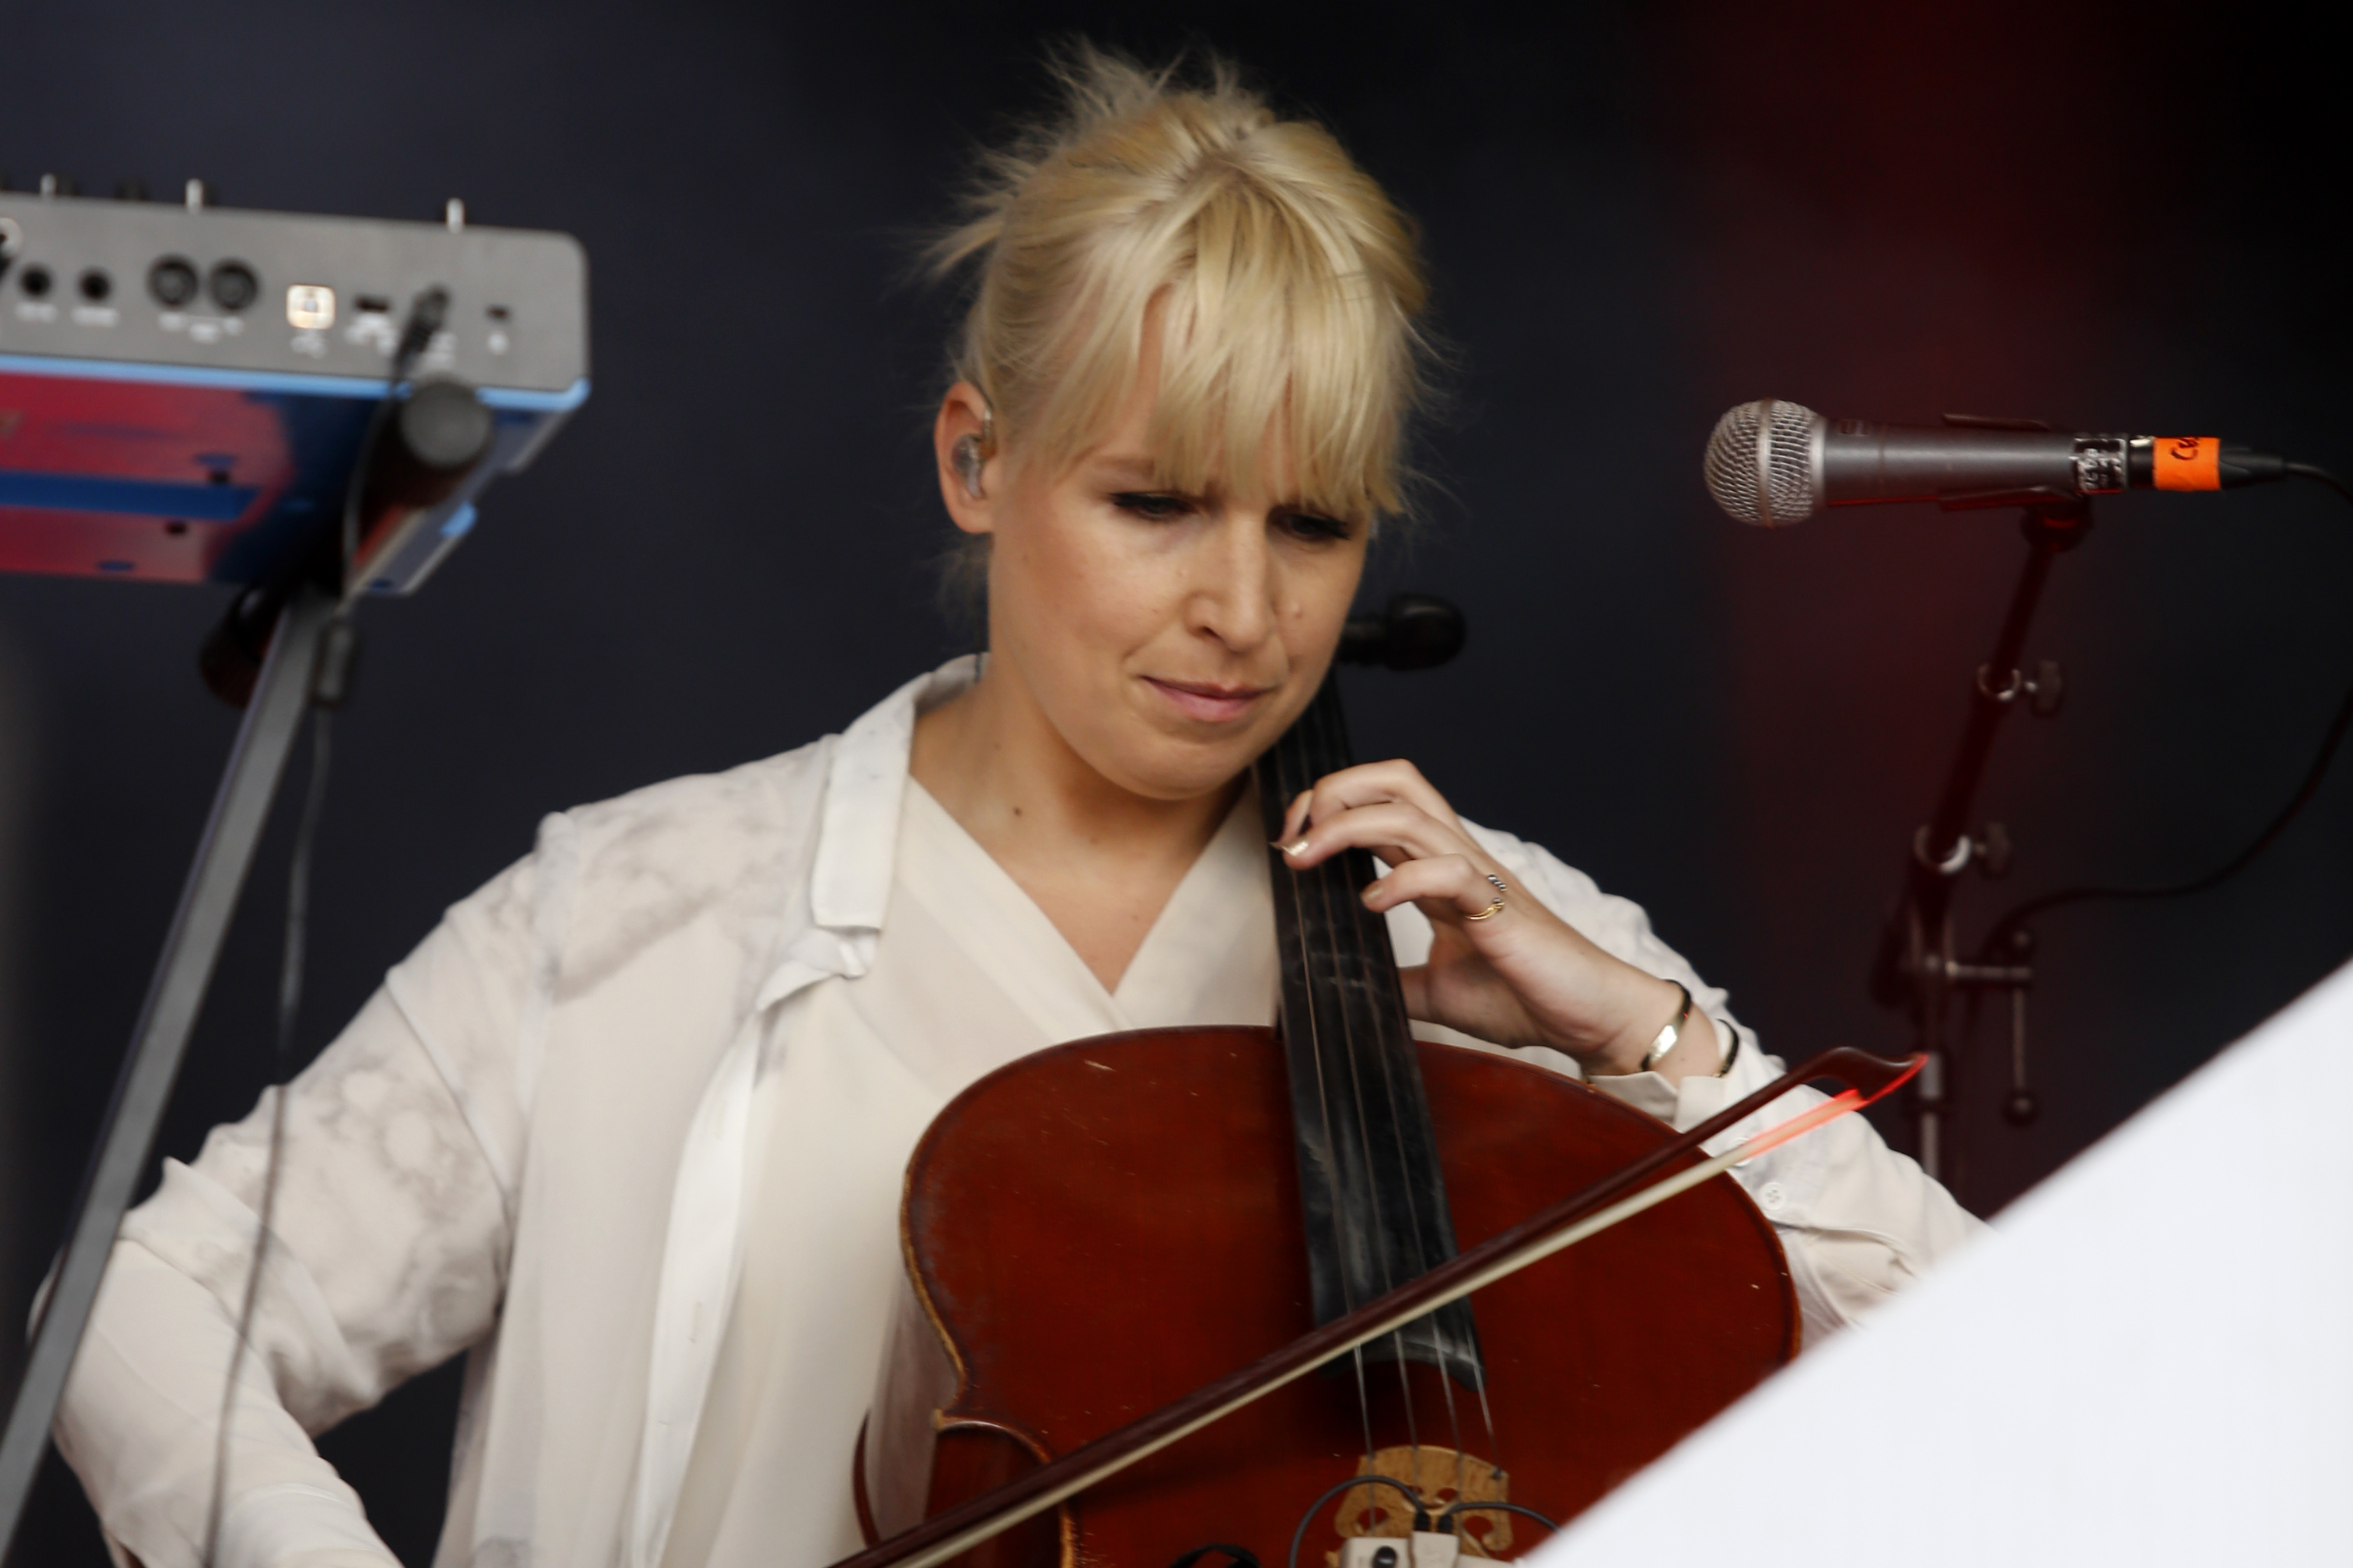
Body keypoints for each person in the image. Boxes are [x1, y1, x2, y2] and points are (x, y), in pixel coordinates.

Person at [55, 46, 1980, 1568]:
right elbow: (143, 1310)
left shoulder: (1473, 929)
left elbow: (1993, 1360)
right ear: (979, 462)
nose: (1244, 611)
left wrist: (1645, 1040)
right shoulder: (640, 904)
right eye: (1157, 503)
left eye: (1313, 525)